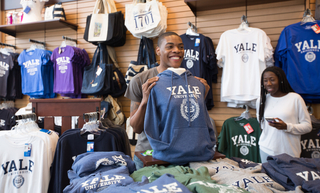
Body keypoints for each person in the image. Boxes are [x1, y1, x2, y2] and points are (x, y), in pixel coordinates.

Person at [124, 32, 210, 169]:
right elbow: (136, 127)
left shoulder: (192, 81)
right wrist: (146, 100)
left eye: (181, 47)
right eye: (170, 46)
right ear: (158, 50)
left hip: (183, 154)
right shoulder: (140, 80)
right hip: (149, 155)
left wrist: (202, 96)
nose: (176, 50)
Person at [256, 66, 312, 163]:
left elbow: (307, 126)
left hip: (290, 152)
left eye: (272, 80)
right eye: (265, 80)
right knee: (268, 178)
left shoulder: (295, 98)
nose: (268, 83)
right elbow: (262, 124)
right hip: (266, 149)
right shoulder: (261, 100)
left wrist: (286, 127)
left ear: (281, 80)